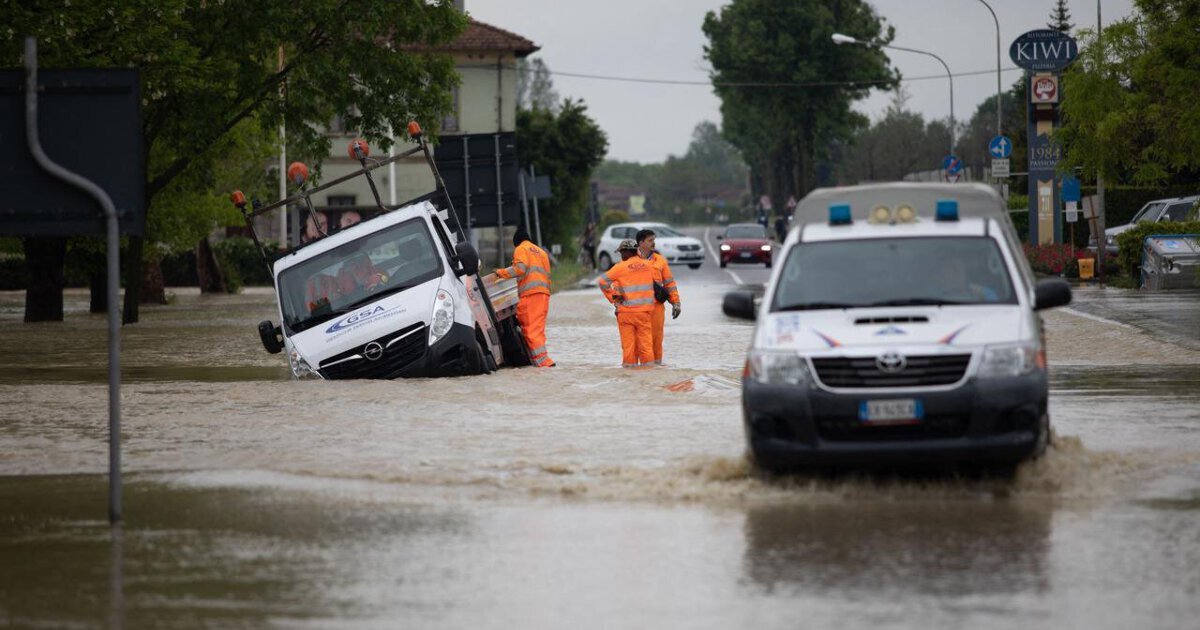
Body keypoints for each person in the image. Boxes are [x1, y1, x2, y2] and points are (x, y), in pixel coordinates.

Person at [495, 228, 556, 367]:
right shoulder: (541, 252)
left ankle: (543, 363)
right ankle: (543, 359)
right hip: (544, 294)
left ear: (516, 242)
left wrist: (501, 273)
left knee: (531, 330)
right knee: (538, 329)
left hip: (531, 295)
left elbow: (520, 269)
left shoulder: (521, 249)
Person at [598, 239, 657, 367]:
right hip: (644, 313)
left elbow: (602, 282)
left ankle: (629, 374)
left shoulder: (619, 267)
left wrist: (614, 300)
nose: (621, 256)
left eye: (621, 253)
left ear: (625, 252)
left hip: (625, 313)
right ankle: (650, 374)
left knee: (628, 347)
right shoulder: (648, 265)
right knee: (646, 347)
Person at [635, 229, 681, 366]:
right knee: (639, 342)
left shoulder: (660, 261)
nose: (653, 243)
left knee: (656, 340)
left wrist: (676, 303)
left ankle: (656, 372)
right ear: (641, 243)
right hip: (637, 309)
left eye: (654, 240)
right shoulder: (631, 260)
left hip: (656, 308)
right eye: (650, 240)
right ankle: (639, 373)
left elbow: (669, 284)